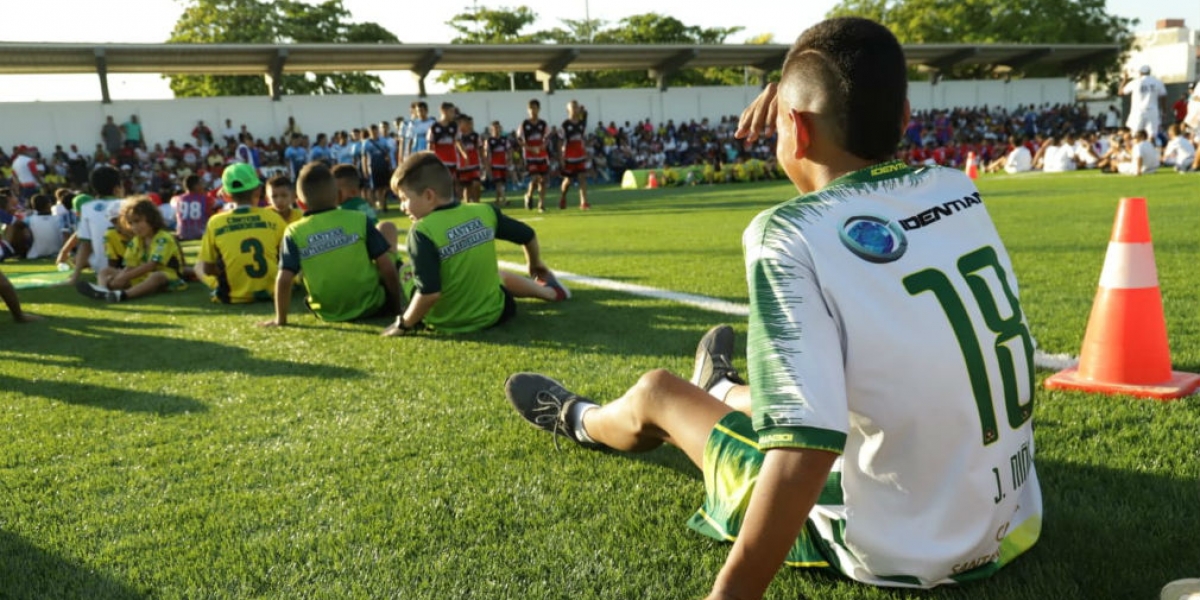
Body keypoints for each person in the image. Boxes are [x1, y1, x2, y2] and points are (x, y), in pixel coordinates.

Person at [503, 17, 1041, 598]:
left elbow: (806, 450)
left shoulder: (788, 233)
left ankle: (579, 419)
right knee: (827, 379)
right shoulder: (954, 187)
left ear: (796, 128)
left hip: (896, 542)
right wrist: (799, 103)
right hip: (1012, 519)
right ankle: (724, 389)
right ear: (906, 116)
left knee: (656, 391)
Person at [381, 152, 568, 337]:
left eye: (405, 199)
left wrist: (403, 325)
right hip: (496, 314)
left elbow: (430, 294)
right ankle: (551, 293)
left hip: (446, 322)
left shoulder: (422, 232)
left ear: (429, 196)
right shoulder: (484, 211)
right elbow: (528, 235)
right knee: (497, 275)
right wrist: (534, 263)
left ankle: (408, 310)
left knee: (406, 269)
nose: (402, 207)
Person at [260, 162, 402, 327]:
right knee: (388, 234)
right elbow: (386, 267)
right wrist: (397, 308)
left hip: (328, 312)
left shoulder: (293, 231)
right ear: (339, 196)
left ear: (300, 204)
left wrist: (280, 320)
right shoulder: (358, 218)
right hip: (373, 306)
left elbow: (284, 279)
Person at [196, 164, 287, 304]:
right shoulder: (273, 217)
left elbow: (208, 268)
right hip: (275, 291)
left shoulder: (215, 222)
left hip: (233, 296)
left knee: (198, 267)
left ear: (225, 196)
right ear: (258, 191)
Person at [76, 197, 187, 302]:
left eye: (137, 221)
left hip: (169, 278)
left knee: (156, 276)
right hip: (142, 277)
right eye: (131, 223)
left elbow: (151, 265)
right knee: (106, 271)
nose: (134, 227)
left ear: (151, 218)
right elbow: (130, 265)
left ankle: (124, 295)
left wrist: (124, 277)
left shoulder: (163, 238)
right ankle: (103, 290)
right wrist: (120, 278)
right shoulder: (136, 240)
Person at [69, 165, 125, 285]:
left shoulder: (87, 208)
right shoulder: (126, 205)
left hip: (100, 268)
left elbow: (85, 244)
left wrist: (75, 277)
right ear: (117, 188)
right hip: (128, 264)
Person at [332, 163, 399, 252]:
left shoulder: (346, 208)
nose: (332, 194)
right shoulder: (362, 203)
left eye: (337, 191)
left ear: (353, 192)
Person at [558, 100, 591, 210]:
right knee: (569, 180)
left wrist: (586, 151)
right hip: (569, 156)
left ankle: (584, 203)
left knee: (582, 178)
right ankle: (563, 196)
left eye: (576, 107)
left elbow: (584, 137)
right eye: (573, 107)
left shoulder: (582, 123)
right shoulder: (565, 125)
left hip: (580, 155)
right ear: (568, 110)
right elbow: (560, 141)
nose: (575, 109)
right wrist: (561, 158)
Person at [1120, 65, 1168, 140]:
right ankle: (1150, 149)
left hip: (1138, 111)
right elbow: (1163, 96)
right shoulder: (1157, 82)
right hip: (1153, 111)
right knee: (1152, 135)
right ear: (1149, 72)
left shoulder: (1136, 82)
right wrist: (1164, 112)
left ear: (1140, 73)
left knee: (1135, 133)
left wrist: (1125, 79)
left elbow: (1121, 92)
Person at [519, 99, 550, 211]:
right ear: (528, 110)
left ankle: (541, 204)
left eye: (535, 108)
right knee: (535, 178)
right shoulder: (524, 124)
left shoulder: (543, 124)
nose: (533, 110)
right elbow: (519, 140)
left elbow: (547, 137)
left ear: (539, 109)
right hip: (530, 156)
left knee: (543, 180)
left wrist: (542, 146)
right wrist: (531, 148)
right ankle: (529, 195)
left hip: (542, 155)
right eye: (530, 108)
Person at [172, 174, 216, 241]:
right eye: (201, 184)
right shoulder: (207, 199)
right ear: (196, 186)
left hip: (182, 235)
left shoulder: (176, 199)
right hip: (201, 235)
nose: (203, 186)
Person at [25, 194, 63, 260]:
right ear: (48, 205)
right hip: (58, 250)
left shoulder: (29, 219)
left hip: (36, 253)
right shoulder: (59, 218)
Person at [455, 114, 483, 204]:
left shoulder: (475, 136)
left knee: (476, 184)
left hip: (474, 164)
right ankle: (467, 204)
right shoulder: (456, 137)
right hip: (462, 166)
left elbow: (480, 149)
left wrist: (482, 162)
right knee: (467, 187)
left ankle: (477, 203)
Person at [482, 121, 511, 207]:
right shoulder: (489, 141)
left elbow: (509, 150)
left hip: (503, 164)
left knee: (501, 183)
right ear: (491, 130)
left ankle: (497, 200)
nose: (497, 130)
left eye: (498, 128)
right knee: (498, 183)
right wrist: (487, 166)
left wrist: (509, 159)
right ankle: (504, 200)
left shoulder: (504, 139)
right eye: (495, 128)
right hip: (494, 165)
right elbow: (486, 154)